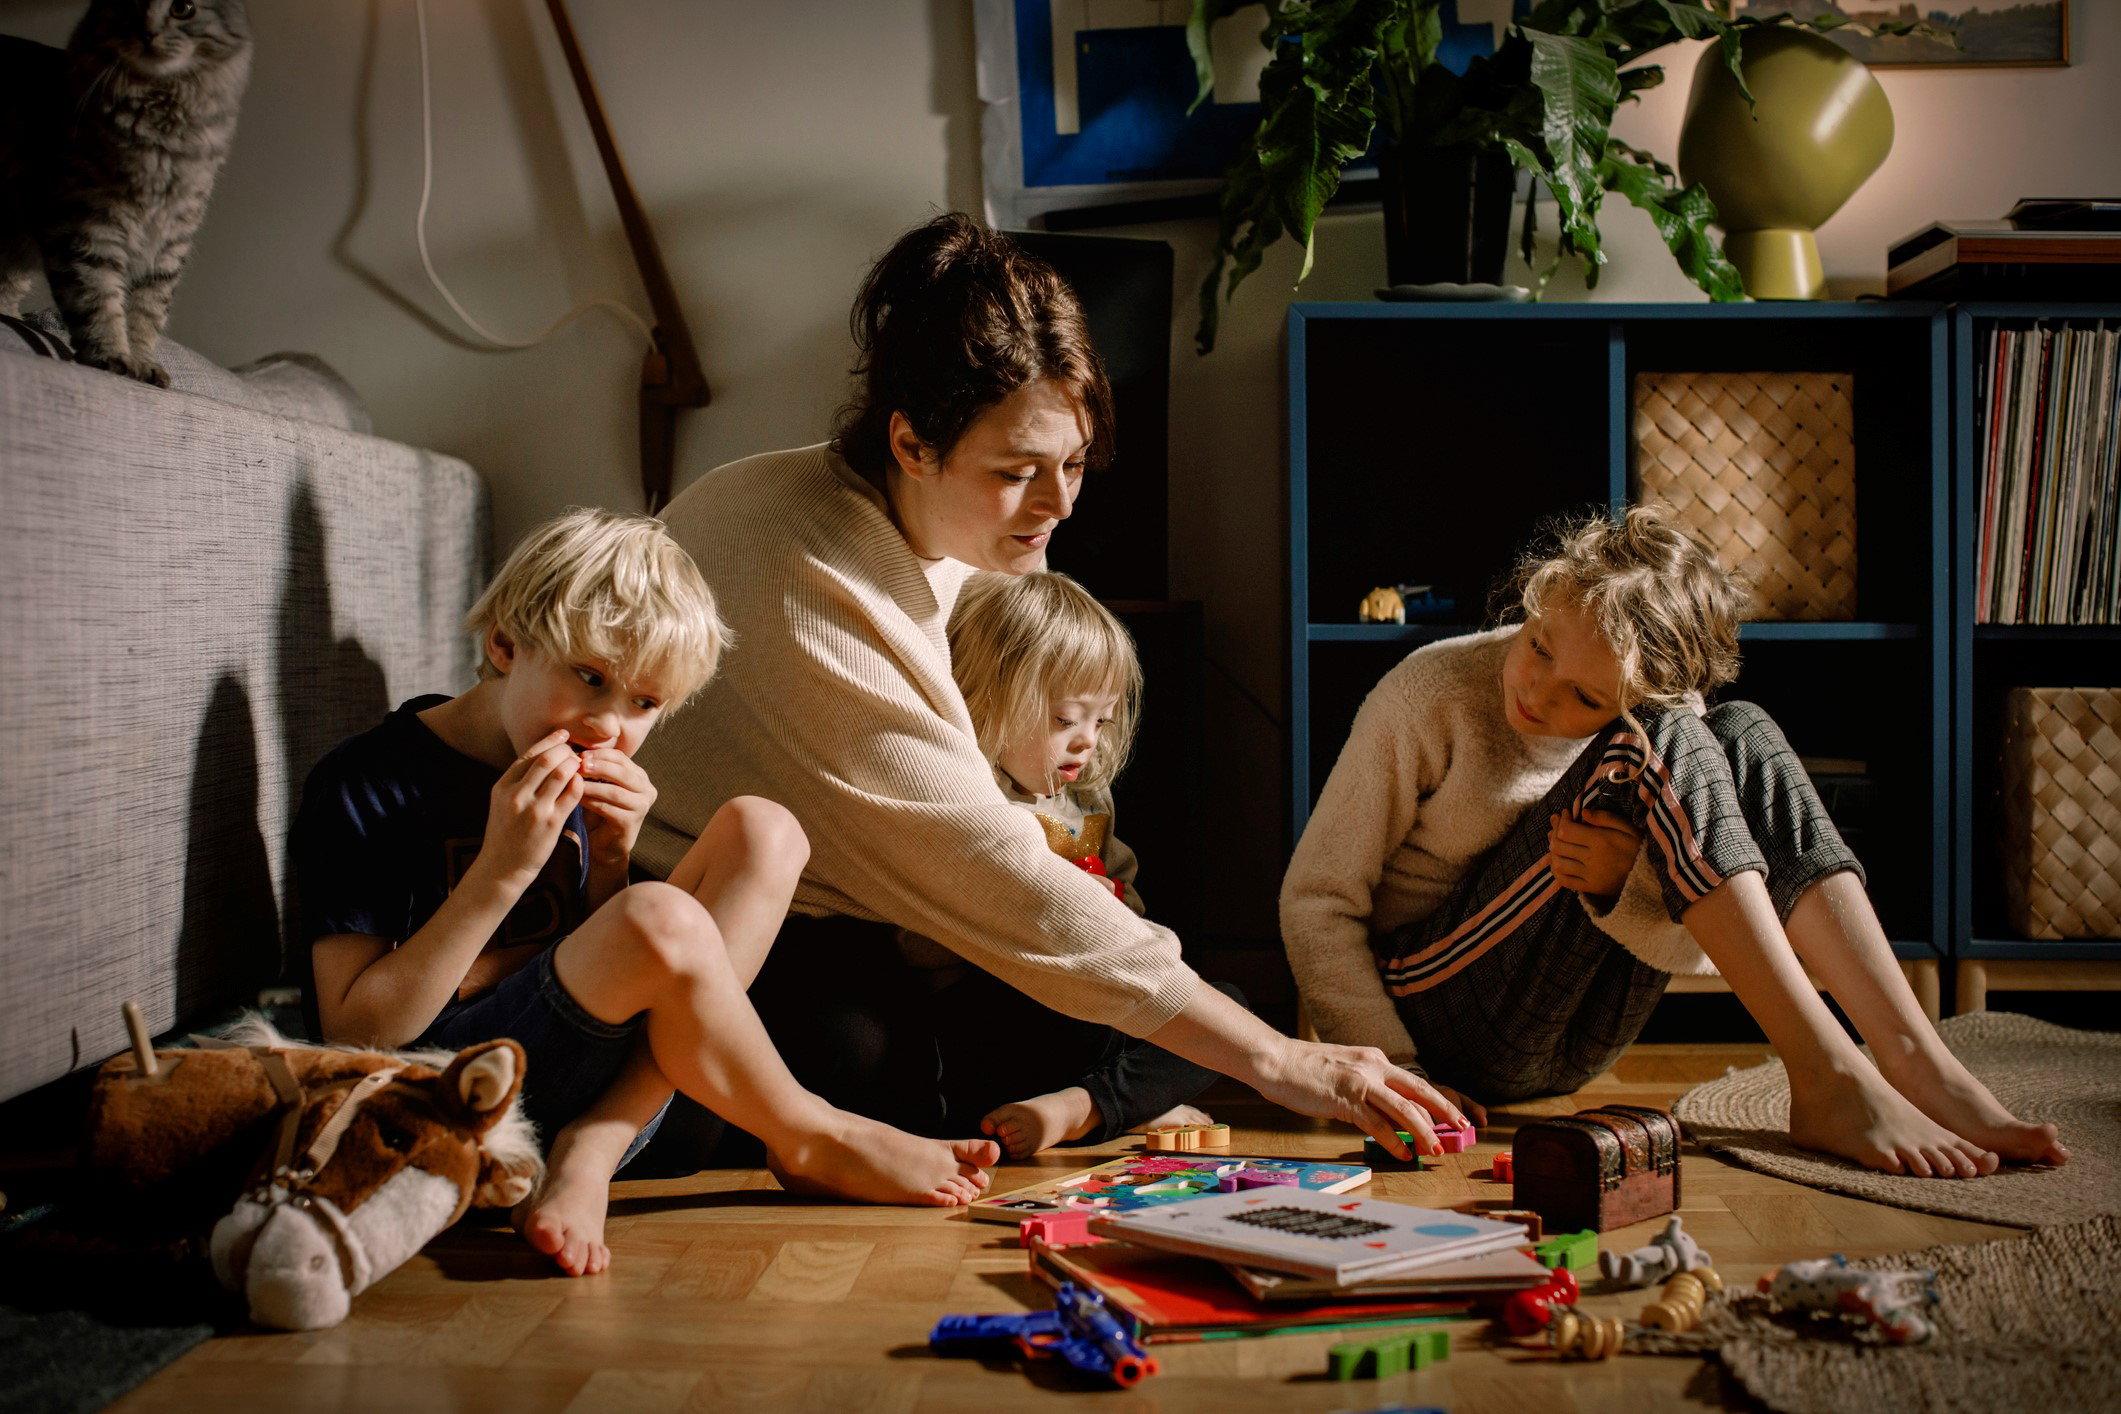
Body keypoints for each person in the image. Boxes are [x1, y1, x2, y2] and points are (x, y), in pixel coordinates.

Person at [634, 213, 1463, 1162]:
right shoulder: (807, 570)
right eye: (1017, 471)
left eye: (1071, 464)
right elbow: (985, 864)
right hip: (727, 927)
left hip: (883, 922)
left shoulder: (933, 534)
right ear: (910, 443)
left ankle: (1069, 1097)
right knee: (877, 1062)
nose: (1060, 502)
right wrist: (1279, 1061)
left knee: (1152, 1009)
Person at [295, 508, 999, 1279]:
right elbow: (358, 1034)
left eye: (644, 704)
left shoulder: (579, 760)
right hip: (466, 1104)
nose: (608, 724)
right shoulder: (368, 783)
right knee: (658, 913)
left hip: (630, 1098)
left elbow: (601, 963)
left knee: (764, 830)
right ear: (504, 645)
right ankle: (804, 1131)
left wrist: (610, 861)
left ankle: (594, 1149)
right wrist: (500, 872)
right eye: (589, 678)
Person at [1282, 506, 2068, 1179]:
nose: (1535, 689)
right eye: (1539, 645)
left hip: (1574, 1038)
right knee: (1662, 741)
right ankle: (1826, 1072)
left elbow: (1698, 937)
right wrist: (1398, 1072)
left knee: (1740, 730)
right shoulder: (1426, 693)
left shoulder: (1665, 717)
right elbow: (1315, 903)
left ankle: (1913, 1059)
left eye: (1584, 696)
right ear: (1534, 600)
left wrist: (1631, 882)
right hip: (1433, 1018)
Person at [923, 570, 1221, 1156]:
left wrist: (1115, 909)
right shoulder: (964, 791)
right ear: (989, 696)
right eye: (1065, 719)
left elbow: (1124, 890)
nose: (1087, 741)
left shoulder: (1083, 795)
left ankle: (1084, 1109)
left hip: (1086, 1006)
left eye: (1101, 720)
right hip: (990, 1019)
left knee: (1223, 1004)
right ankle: (1119, 1104)